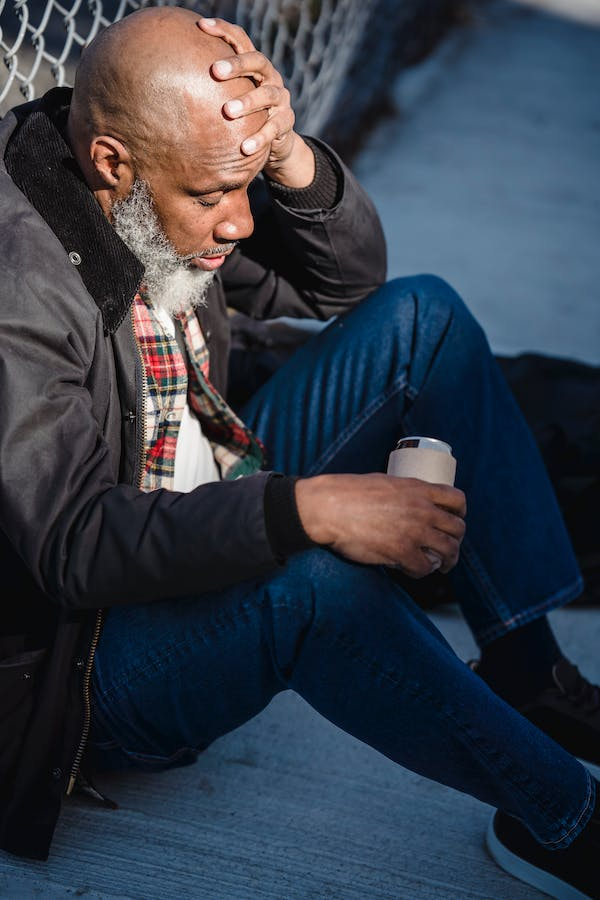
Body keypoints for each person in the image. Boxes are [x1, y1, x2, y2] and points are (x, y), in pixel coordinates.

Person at [0, 7, 598, 894]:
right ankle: (566, 824)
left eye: (244, 187)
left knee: (423, 320)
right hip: (90, 673)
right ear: (113, 163)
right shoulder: (21, 284)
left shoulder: (152, 177)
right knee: (312, 579)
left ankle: (528, 672)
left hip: (199, 475)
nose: (240, 224)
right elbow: (75, 545)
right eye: (214, 198)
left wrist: (287, 157)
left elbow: (347, 286)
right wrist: (307, 511)